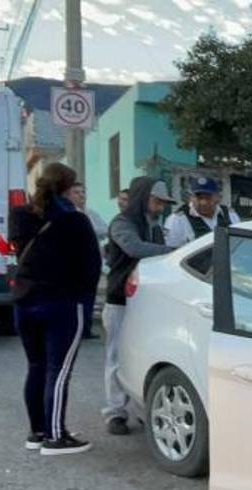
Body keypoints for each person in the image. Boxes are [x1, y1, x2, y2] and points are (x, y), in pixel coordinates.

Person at [8, 162, 102, 455]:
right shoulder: (75, 220)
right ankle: (56, 436)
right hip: (62, 303)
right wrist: (83, 300)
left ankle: (36, 432)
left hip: (25, 301)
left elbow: (19, 250)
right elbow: (91, 267)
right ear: (66, 188)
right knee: (58, 371)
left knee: (35, 367)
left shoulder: (20, 215)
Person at [103, 176, 174, 436]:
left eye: (164, 202)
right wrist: (175, 250)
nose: (161, 206)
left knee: (142, 356)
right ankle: (115, 412)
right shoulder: (121, 223)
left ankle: (141, 410)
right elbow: (134, 248)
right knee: (115, 357)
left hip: (145, 301)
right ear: (143, 197)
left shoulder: (154, 226)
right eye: (157, 201)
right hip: (120, 300)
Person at [66, 182, 106, 339]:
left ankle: (86, 329)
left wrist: (91, 230)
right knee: (75, 298)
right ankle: (74, 328)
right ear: (69, 196)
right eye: (77, 192)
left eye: (83, 192)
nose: (81, 196)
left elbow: (105, 229)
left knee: (89, 297)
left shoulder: (91, 214)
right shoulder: (68, 214)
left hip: (92, 263)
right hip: (75, 264)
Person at [163, 176, 239, 247]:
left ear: (217, 197)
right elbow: (172, 253)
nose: (203, 202)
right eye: (199, 198)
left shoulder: (230, 216)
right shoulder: (177, 220)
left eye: (208, 197)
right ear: (191, 198)